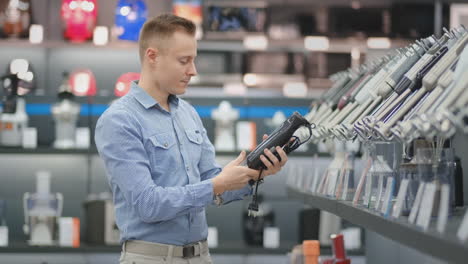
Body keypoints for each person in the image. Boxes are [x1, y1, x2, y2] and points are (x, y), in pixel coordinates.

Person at [95, 13, 289, 264]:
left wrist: (255, 173)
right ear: (152, 56)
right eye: (184, 61)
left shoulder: (187, 113)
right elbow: (148, 204)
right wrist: (216, 185)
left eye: (193, 60)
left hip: (201, 256)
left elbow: (211, 180)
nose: (193, 71)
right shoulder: (119, 120)